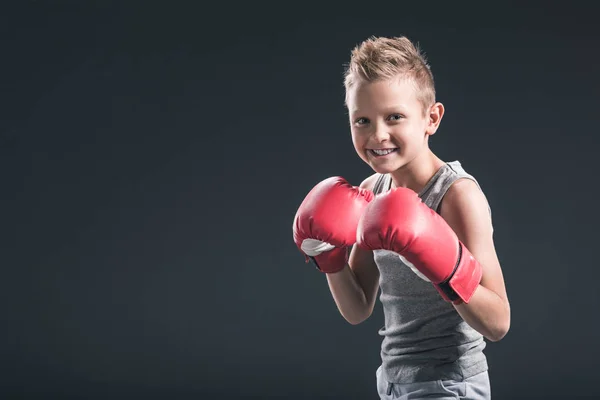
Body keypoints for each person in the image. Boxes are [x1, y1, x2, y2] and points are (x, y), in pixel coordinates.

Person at [292, 36, 510, 399]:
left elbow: (499, 323)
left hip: (450, 383)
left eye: (394, 116)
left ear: (431, 118)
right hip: (393, 381)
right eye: (362, 120)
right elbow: (358, 308)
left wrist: (446, 269)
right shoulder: (371, 190)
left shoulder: (456, 195)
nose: (377, 134)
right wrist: (327, 255)